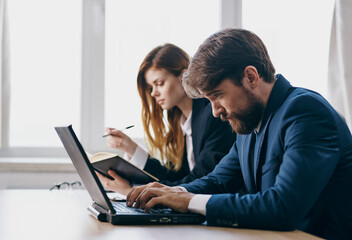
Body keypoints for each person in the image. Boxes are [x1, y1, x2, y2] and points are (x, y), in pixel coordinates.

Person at [125, 29, 352, 240]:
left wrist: (189, 201)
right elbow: (218, 181)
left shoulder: (305, 112)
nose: (215, 112)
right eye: (209, 100)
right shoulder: (249, 120)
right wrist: (173, 192)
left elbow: (283, 206)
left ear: (251, 77)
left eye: (218, 95)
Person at [98, 43, 235, 196]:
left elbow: (199, 180)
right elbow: (174, 177)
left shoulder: (213, 115)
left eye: (160, 84)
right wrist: (130, 148)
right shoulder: (181, 122)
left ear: (184, 77)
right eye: (151, 87)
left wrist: (130, 191)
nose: (154, 93)